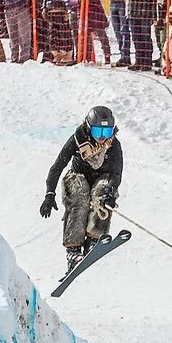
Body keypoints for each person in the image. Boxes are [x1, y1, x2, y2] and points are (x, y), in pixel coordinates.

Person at [41, 106, 124, 275]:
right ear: (88, 128)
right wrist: (50, 193)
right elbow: (57, 167)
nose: (102, 137)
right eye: (98, 131)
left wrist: (111, 191)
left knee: (103, 192)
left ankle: (94, 238)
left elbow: (116, 173)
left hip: (103, 178)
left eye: (106, 132)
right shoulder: (78, 140)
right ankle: (73, 251)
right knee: (79, 195)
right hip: (78, 176)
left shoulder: (114, 146)